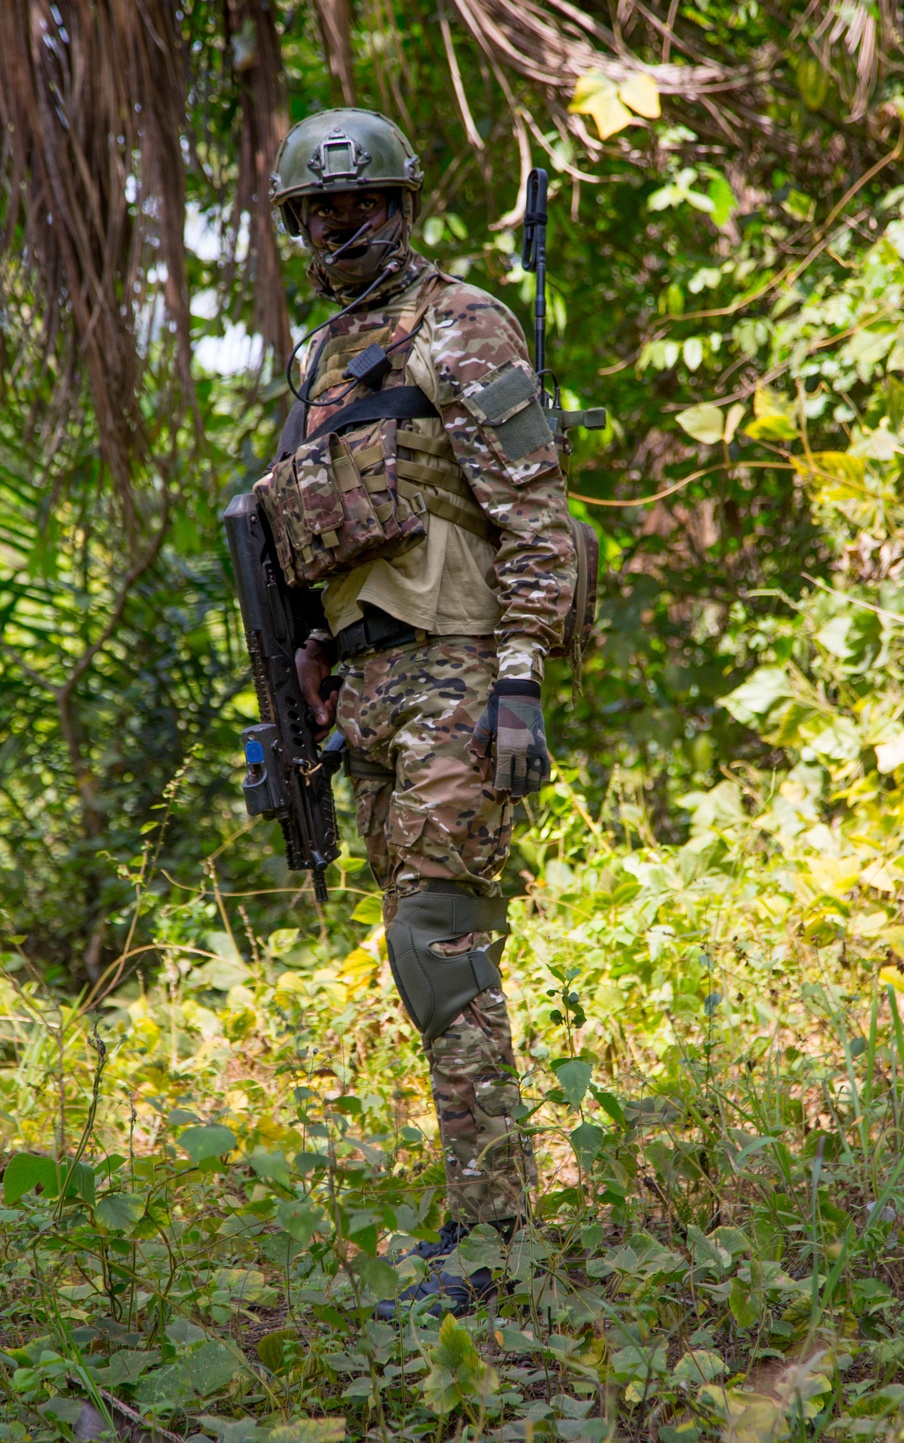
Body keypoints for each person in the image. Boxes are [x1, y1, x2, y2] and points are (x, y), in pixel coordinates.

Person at [263, 108, 576, 1314]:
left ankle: (494, 1245)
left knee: (438, 944)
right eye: (320, 213)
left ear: (402, 208)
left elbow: (537, 513)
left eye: (364, 207)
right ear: (300, 225)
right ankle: (480, 1219)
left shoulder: (461, 323)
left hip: (457, 671)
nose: (343, 230)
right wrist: (312, 657)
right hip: (373, 687)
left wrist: (518, 681)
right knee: (416, 948)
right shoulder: (330, 355)